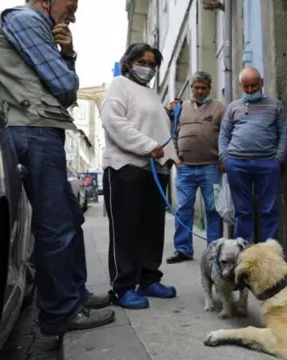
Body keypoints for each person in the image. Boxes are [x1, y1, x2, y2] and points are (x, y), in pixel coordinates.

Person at [0, 0, 115, 336]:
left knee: (67, 219)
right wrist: (66, 57)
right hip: (31, 129)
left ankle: (73, 296)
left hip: (39, 128)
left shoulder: (35, 25)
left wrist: (68, 53)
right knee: (55, 226)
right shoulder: (25, 19)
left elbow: (64, 92)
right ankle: (61, 312)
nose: (73, 16)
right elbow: (65, 87)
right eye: (71, 5)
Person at [100, 43, 179, 309]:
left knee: (152, 229)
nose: (148, 68)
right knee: (125, 230)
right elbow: (113, 122)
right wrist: (148, 146)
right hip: (126, 168)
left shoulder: (152, 94)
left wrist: (172, 156)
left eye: (152, 64)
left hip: (155, 171)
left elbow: (159, 129)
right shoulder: (118, 86)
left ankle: (148, 279)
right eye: (142, 62)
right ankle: (122, 287)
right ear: (129, 61)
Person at [218, 67, 287, 242]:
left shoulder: (275, 105)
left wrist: (278, 159)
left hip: (267, 164)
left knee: (269, 210)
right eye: (246, 86)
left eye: (254, 86)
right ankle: (243, 253)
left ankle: (269, 253)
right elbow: (224, 134)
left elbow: (285, 133)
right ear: (240, 85)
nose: (250, 90)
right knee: (242, 211)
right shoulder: (233, 107)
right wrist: (225, 158)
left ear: (262, 83)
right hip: (236, 163)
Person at [166, 71, 226, 264]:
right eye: (196, 87)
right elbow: (173, 134)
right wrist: (177, 159)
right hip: (185, 169)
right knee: (183, 208)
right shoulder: (180, 108)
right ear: (191, 88)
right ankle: (183, 249)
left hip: (211, 168)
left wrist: (222, 159)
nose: (199, 91)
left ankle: (214, 250)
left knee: (213, 209)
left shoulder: (219, 108)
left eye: (203, 88)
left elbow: (226, 135)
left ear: (210, 88)